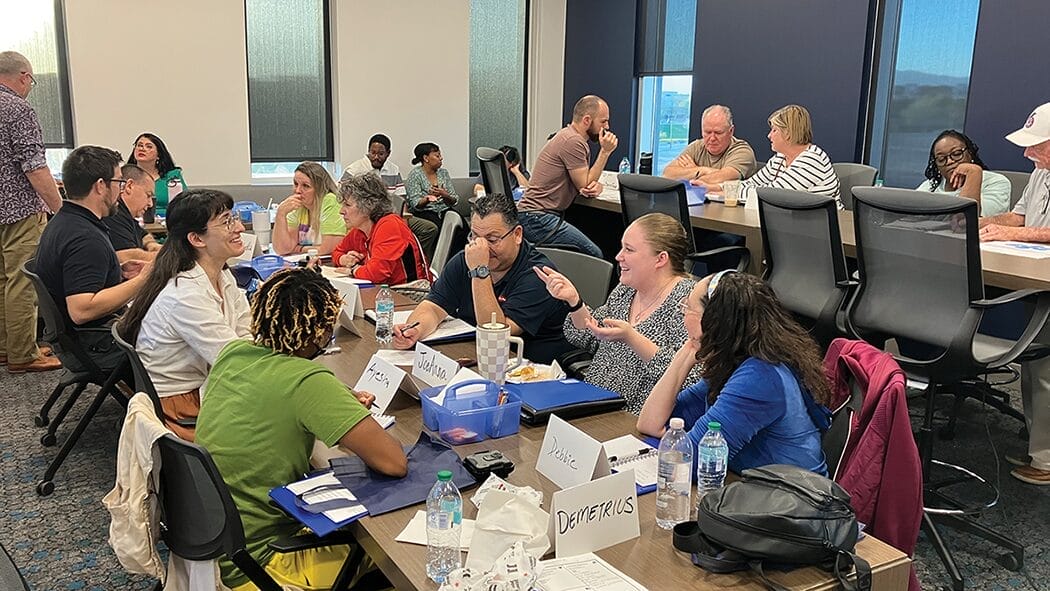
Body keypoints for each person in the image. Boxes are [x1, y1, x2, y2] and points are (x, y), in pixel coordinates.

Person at [196, 268, 407, 590]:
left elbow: (273, 397)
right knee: (395, 555)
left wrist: (337, 400)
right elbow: (394, 463)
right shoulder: (307, 381)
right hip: (267, 561)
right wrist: (330, 400)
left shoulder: (233, 354)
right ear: (319, 332)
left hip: (220, 548)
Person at [638, 271, 830, 476]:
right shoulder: (733, 362)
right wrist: (684, 357)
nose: (683, 317)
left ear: (714, 320)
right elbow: (652, 424)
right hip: (755, 486)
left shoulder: (760, 376)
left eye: (688, 308)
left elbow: (691, 463)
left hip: (791, 493)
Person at [117, 189, 251, 441]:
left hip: (203, 386)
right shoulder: (185, 295)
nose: (239, 228)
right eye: (226, 222)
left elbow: (246, 331)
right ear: (197, 239)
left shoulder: (222, 276)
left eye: (233, 218)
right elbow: (235, 360)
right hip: (181, 407)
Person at [535, 213, 698, 413]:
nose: (618, 256)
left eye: (629, 249)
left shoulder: (688, 302)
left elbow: (688, 378)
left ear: (661, 259)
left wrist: (632, 338)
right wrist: (575, 302)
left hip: (634, 417)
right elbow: (590, 337)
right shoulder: (626, 289)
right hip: (592, 403)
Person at [392, 193, 571, 364]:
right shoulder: (465, 259)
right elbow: (433, 307)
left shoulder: (537, 275)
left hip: (530, 368)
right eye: (475, 237)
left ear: (517, 235)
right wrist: (415, 329)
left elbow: (495, 334)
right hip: (476, 355)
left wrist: (479, 271)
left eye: (492, 239)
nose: (482, 247)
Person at [979, 101, 1050, 485]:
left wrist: (1012, 232)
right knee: (1035, 364)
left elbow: (1023, 228)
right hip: (1036, 280)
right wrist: (984, 222)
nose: (1027, 153)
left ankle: (1046, 460)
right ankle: (1038, 443)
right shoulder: (1040, 172)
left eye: (1037, 145)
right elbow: (1019, 216)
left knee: (1046, 370)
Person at [37, 146, 151, 371]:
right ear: (100, 186)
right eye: (119, 183)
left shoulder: (66, 220)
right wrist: (143, 280)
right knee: (176, 340)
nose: (120, 191)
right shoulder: (85, 237)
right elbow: (81, 310)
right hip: (96, 347)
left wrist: (117, 271)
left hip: (77, 343)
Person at [0, 50, 63, 373]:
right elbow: (34, 166)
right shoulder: (18, 109)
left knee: (2, 281)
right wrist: (61, 209)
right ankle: (24, 353)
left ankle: (5, 347)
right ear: (24, 77)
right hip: (20, 209)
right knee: (22, 280)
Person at [517, 95, 617, 258]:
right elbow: (585, 184)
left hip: (535, 215)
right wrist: (605, 152)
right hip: (537, 218)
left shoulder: (567, 135)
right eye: (603, 121)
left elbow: (586, 183)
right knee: (594, 254)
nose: (607, 127)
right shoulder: (573, 141)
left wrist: (596, 185)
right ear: (587, 120)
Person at [698, 104, 841, 207]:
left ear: (788, 133)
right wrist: (713, 187)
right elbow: (751, 184)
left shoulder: (812, 160)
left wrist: (726, 193)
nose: (769, 135)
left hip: (818, 232)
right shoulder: (780, 158)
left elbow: (769, 195)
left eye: (774, 130)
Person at [340, 133, 438, 260]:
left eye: (380, 154)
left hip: (392, 216)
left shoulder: (394, 170)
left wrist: (402, 221)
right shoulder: (354, 169)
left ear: (388, 153)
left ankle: (413, 259)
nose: (375, 157)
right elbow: (342, 197)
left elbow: (401, 199)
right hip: (367, 217)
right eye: (372, 153)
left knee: (429, 228)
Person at [332, 173, 431, 286]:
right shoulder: (360, 229)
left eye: (347, 205)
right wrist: (343, 259)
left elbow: (376, 274)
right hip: (382, 290)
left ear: (368, 205)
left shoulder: (390, 226)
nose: (341, 211)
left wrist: (353, 269)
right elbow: (336, 252)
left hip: (407, 292)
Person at [918, 130, 1011, 216]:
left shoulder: (996, 182)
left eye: (956, 154)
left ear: (970, 154)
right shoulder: (929, 186)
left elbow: (966, 220)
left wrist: (974, 172)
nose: (949, 161)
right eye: (941, 159)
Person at [662, 105, 757, 183]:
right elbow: (668, 174)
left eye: (718, 133)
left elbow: (724, 179)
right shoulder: (697, 147)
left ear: (731, 131)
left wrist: (691, 173)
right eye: (707, 132)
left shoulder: (742, 151)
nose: (712, 138)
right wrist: (702, 170)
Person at [272, 161, 346, 256]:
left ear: (320, 189)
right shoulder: (299, 205)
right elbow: (282, 249)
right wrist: (280, 213)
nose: (298, 191)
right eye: (296, 184)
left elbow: (328, 248)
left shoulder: (330, 200)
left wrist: (299, 249)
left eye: (306, 186)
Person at [103, 164, 161, 262]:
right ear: (129, 186)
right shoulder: (113, 214)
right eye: (148, 195)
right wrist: (168, 256)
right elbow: (129, 257)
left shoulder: (126, 214)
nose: (150, 204)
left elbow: (143, 234)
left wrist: (152, 245)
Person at [127, 132, 185, 217]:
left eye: (149, 147)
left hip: (167, 220)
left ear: (158, 155)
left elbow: (183, 203)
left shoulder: (172, 176)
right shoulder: (125, 175)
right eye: (139, 145)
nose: (142, 149)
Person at [404, 142, 459, 227]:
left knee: (461, 225)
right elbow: (415, 204)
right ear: (426, 158)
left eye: (440, 155)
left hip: (445, 210)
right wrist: (428, 198)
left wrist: (445, 195)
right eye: (437, 156)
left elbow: (454, 200)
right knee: (438, 226)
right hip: (425, 212)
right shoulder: (415, 175)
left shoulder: (443, 173)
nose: (441, 158)